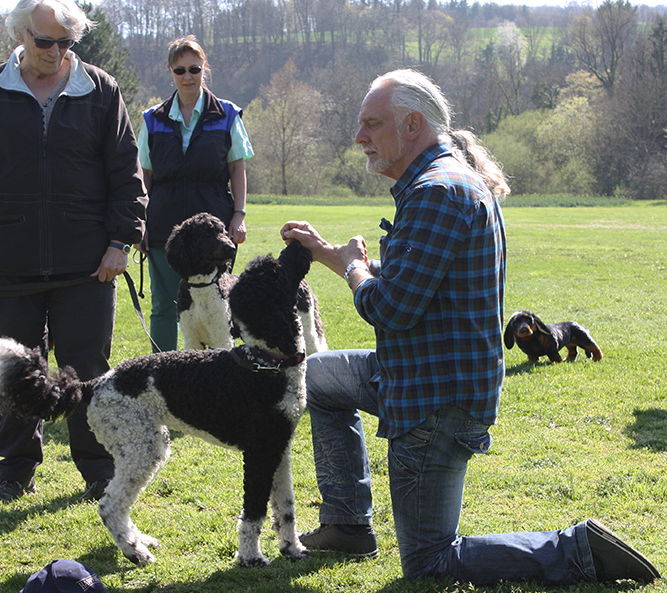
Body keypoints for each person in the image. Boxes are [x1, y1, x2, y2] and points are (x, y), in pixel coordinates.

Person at [280, 69, 660, 585]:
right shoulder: (438, 184)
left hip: (437, 401)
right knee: (316, 379)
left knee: (429, 562)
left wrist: (352, 267)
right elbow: (413, 289)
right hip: (412, 372)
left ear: (412, 125)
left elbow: (390, 309)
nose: (359, 137)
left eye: (371, 124)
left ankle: (577, 551)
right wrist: (332, 255)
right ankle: (347, 524)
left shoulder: (437, 192)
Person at [0, 0, 146, 505]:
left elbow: (126, 174)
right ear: (19, 35)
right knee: (17, 370)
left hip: (88, 263)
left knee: (89, 367)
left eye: (66, 43)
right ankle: (15, 471)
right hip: (6, 259)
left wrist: (121, 241)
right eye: (44, 41)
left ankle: (97, 470)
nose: (56, 52)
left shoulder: (100, 89)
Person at [137, 35, 254, 352]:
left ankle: (217, 376)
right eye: (180, 70)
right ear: (170, 72)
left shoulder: (227, 115)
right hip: (162, 227)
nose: (188, 76)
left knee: (215, 305)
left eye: (194, 68)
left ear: (205, 69)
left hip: (213, 233)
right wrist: (140, 223)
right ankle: (163, 376)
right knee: (164, 306)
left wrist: (239, 215)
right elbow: (143, 176)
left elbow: (236, 169)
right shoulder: (152, 119)